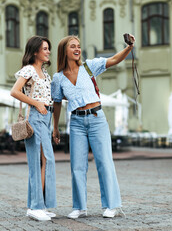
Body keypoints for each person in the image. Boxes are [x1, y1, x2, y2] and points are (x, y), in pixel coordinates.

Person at [51, 34, 135, 219]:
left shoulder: (89, 66)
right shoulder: (58, 78)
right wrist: (55, 127)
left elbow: (113, 59)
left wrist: (129, 48)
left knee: (104, 162)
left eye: (78, 46)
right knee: (77, 167)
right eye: (73, 46)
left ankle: (111, 205)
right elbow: (57, 103)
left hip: (97, 119)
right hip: (77, 123)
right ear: (64, 51)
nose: (77, 49)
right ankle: (79, 207)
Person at [10, 36, 56, 221]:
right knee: (41, 161)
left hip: (47, 117)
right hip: (36, 117)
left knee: (46, 160)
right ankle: (36, 206)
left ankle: (38, 205)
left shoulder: (45, 72)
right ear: (35, 51)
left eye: (48, 48)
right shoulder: (29, 69)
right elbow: (15, 91)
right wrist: (36, 103)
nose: (48, 51)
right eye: (45, 48)